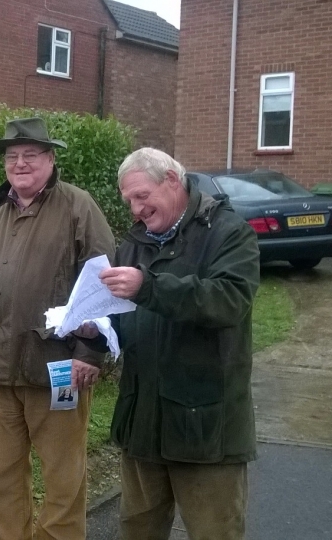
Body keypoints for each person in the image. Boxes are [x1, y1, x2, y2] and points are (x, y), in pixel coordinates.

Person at [0, 117, 116, 540]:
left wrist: (90, 354)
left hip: (58, 369)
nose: (20, 163)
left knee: (64, 480)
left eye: (30, 155)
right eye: (12, 157)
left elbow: (104, 285)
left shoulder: (79, 208)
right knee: (0, 477)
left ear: (50, 158)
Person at [99, 148, 259, 540]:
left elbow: (228, 300)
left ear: (171, 180)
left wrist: (148, 287)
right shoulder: (134, 243)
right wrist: (97, 329)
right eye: (129, 201)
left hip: (204, 428)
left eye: (141, 196)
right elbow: (125, 319)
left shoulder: (229, 232)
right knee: (138, 530)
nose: (135, 210)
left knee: (214, 532)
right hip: (142, 423)